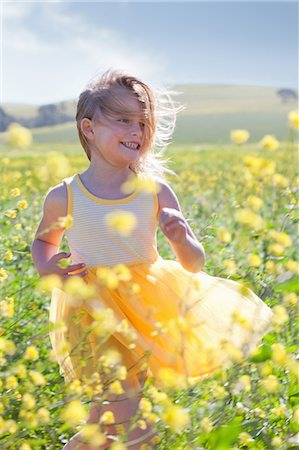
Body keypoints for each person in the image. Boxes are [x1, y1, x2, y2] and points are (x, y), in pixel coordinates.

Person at [31, 69, 274, 449]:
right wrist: (49, 267)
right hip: (91, 311)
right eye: (123, 120)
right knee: (129, 415)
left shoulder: (155, 191)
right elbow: (44, 241)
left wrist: (181, 237)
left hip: (147, 310)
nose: (137, 131)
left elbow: (194, 264)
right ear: (89, 129)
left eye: (143, 122)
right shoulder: (65, 196)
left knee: (106, 419)